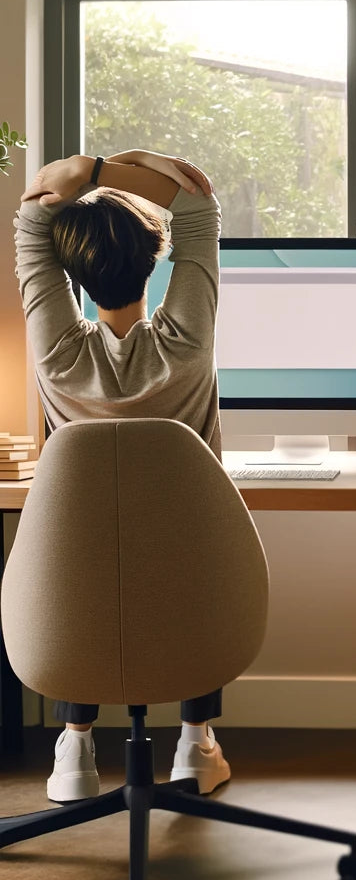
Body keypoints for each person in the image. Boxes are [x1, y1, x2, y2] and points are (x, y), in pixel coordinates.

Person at [15, 148, 230, 803]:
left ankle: (74, 748)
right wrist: (139, 164)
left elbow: (30, 219)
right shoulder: (187, 348)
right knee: (199, 562)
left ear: (68, 268)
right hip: (185, 569)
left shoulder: (56, 357)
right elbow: (199, 209)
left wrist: (91, 167)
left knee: (83, 570)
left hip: (75, 575)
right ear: (155, 256)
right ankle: (195, 743)